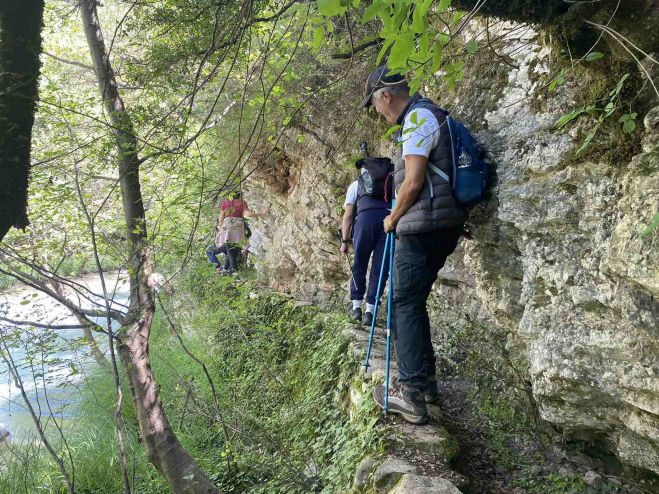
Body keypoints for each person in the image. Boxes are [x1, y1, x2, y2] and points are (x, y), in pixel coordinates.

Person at [360, 66, 467, 424]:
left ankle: (411, 395)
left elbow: (413, 181)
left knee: (402, 302)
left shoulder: (418, 119)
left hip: (423, 226)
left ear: (385, 96)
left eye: (375, 104)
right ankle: (427, 386)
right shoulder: (429, 114)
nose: (377, 112)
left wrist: (392, 219)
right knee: (412, 302)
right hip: (440, 223)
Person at [340, 162, 391, 326]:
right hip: (388, 221)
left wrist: (344, 240)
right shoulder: (391, 181)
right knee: (380, 268)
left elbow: (348, 215)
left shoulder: (356, 184)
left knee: (359, 264)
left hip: (364, 221)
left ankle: (356, 309)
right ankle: (370, 312)